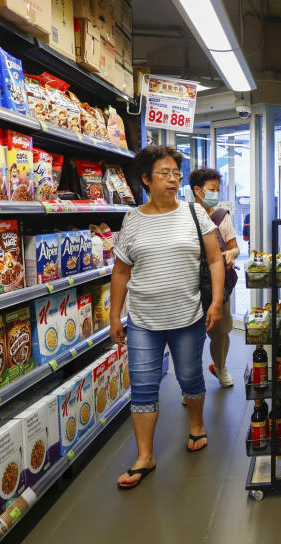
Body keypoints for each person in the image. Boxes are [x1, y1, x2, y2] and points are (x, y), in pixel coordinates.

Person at [109, 146, 225, 490]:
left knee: (189, 377)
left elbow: (216, 260)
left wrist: (216, 302)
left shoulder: (194, 213)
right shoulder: (132, 220)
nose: (173, 179)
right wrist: (115, 316)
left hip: (187, 316)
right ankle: (145, 456)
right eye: (165, 173)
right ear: (146, 179)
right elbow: (120, 272)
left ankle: (197, 426)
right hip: (143, 320)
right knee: (143, 387)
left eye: (176, 173)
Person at [189, 167, 240, 387]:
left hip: (220, 284)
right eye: (212, 189)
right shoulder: (185, 215)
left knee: (220, 331)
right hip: (191, 285)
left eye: (218, 189)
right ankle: (190, 383)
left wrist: (231, 253)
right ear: (198, 191)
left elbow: (235, 247)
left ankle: (220, 366)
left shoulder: (221, 217)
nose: (215, 194)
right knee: (190, 336)